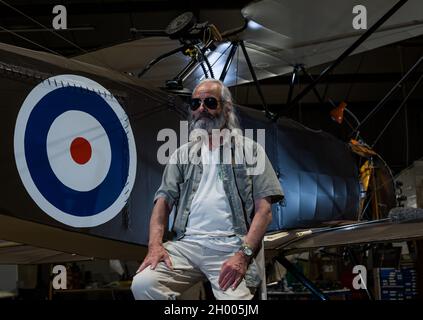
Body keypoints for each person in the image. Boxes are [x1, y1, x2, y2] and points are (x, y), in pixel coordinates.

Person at [131, 79, 283, 300]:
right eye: (195, 104)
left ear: (226, 107)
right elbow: (163, 201)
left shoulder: (251, 150)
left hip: (231, 245)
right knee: (144, 285)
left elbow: (264, 212)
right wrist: (155, 245)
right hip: (187, 245)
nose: (202, 108)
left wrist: (243, 255)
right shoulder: (182, 154)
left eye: (210, 102)